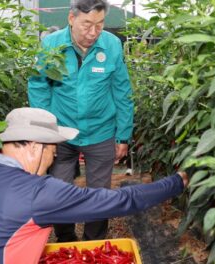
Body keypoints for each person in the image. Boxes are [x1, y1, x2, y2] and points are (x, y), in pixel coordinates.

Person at [0, 107, 188, 264]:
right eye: (52, 150)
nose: (54, 157)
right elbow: (122, 200)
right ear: (36, 147)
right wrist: (177, 182)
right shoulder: (38, 193)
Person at [28, 0, 134, 242]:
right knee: (58, 191)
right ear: (71, 18)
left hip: (100, 131)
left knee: (100, 195)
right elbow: (39, 87)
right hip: (61, 133)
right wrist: (47, 134)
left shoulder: (111, 45)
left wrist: (123, 135)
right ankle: (66, 239)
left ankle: (94, 243)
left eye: (99, 24)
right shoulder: (51, 45)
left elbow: (122, 91)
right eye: (87, 24)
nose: (93, 32)